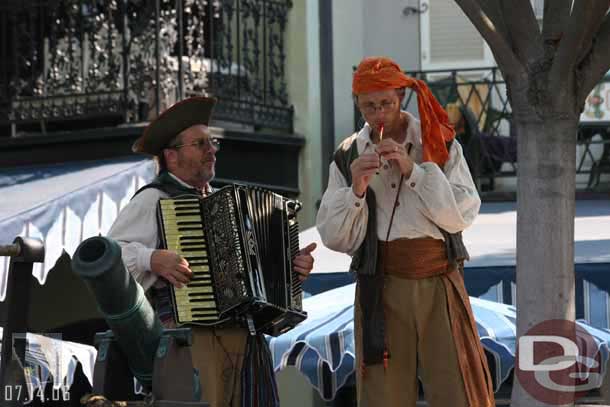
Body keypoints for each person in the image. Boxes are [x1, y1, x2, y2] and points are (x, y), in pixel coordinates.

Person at [107, 96, 316, 407]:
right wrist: (150, 258)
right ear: (171, 156)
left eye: (212, 142)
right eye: (200, 143)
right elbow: (111, 256)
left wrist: (293, 268)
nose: (212, 150)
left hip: (247, 338)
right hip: (193, 339)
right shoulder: (153, 200)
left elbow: (256, 271)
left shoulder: (226, 203)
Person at [316, 57, 494, 407]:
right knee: (384, 392)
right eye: (369, 106)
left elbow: (462, 215)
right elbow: (336, 238)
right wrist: (355, 188)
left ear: (401, 98)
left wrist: (414, 171)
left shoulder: (438, 142)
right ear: (358, 104)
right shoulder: (347, 154)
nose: (379, 113)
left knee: (455, 387)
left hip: (438, 279)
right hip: (381, 282)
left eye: (387, 103)